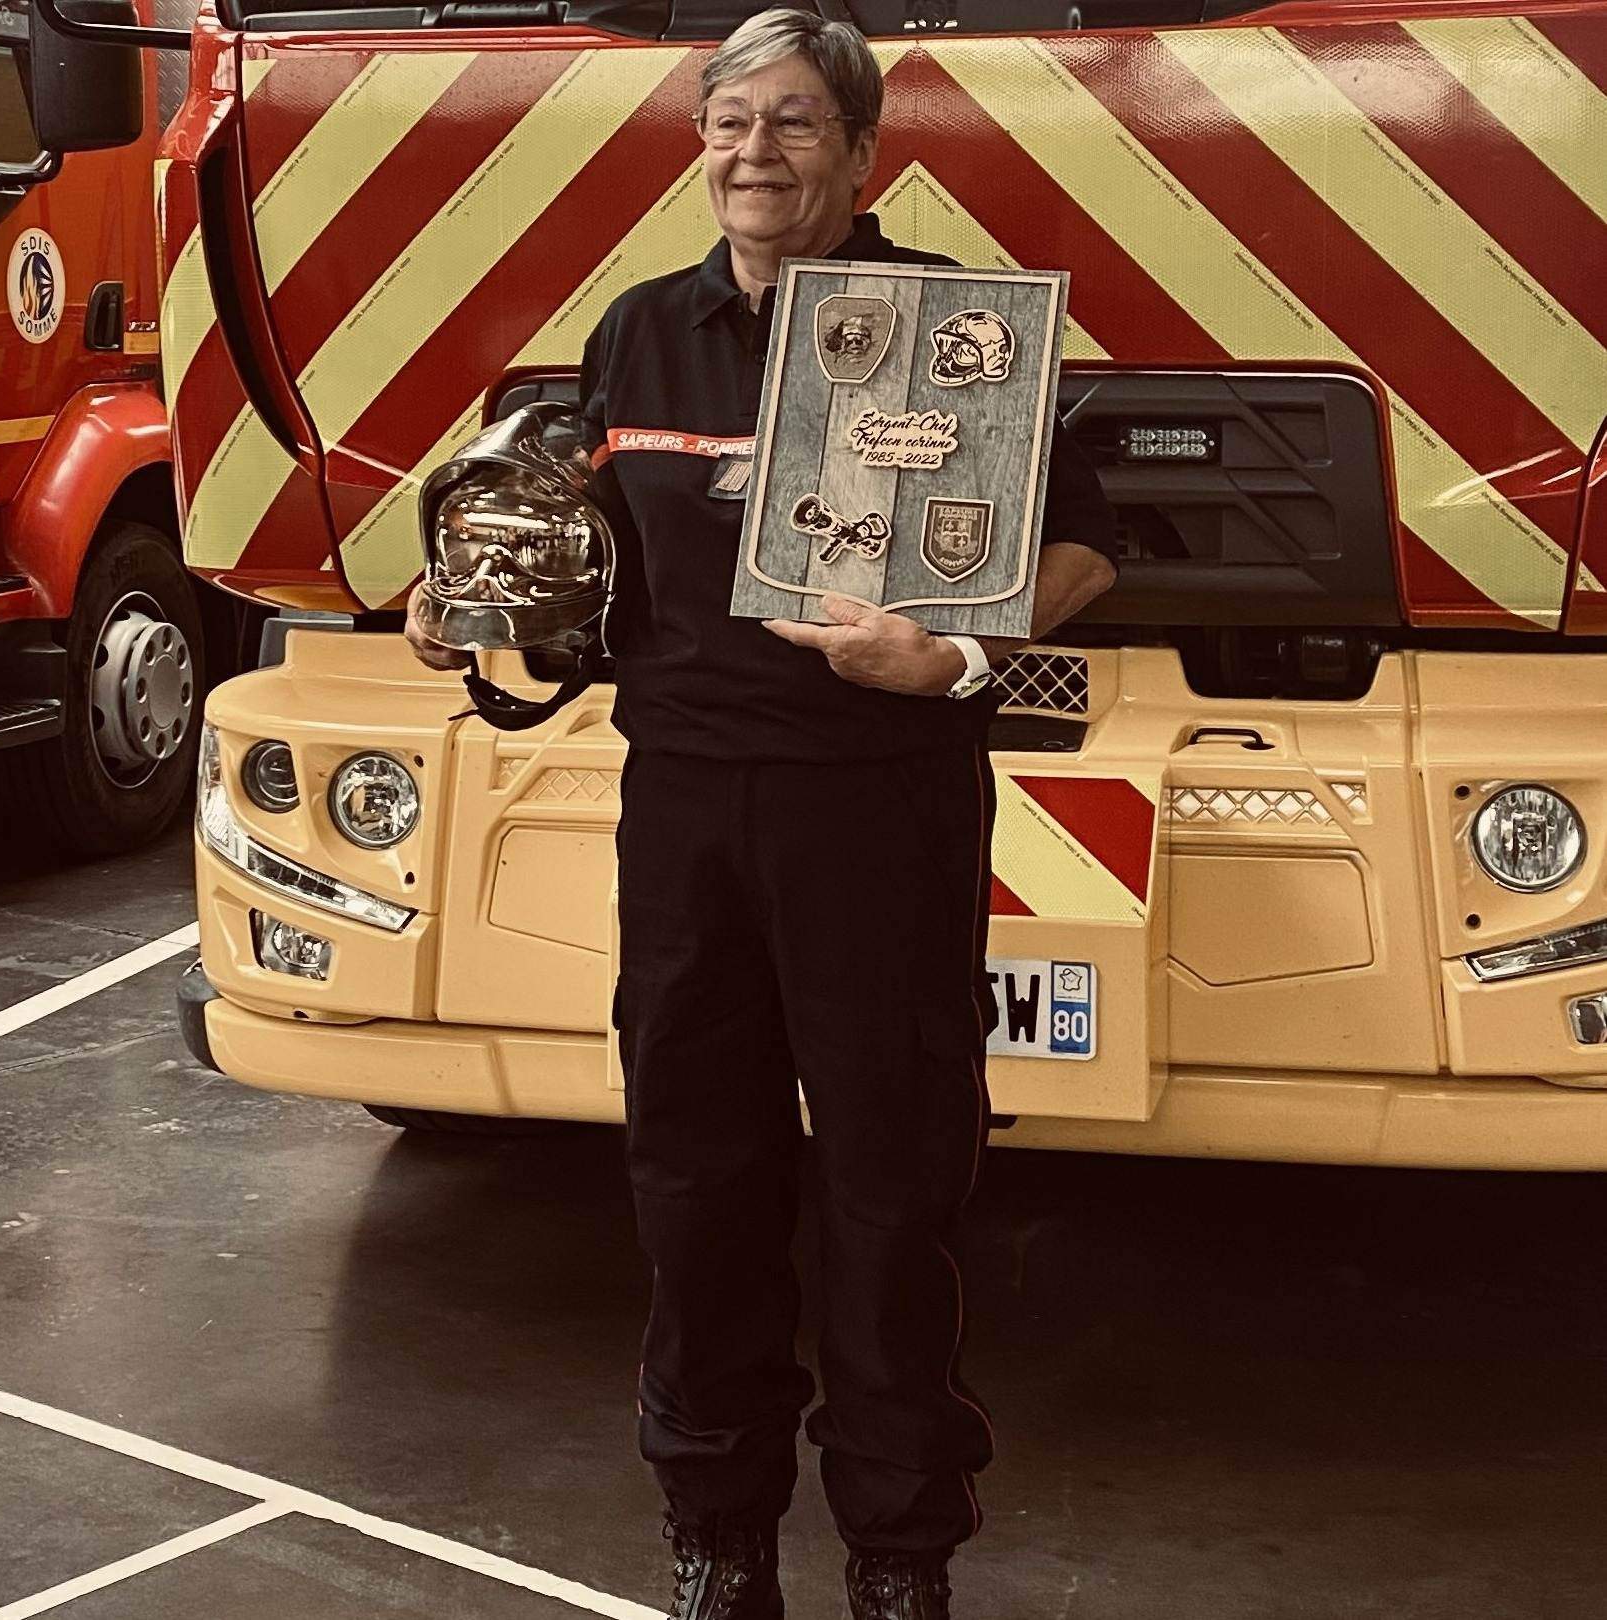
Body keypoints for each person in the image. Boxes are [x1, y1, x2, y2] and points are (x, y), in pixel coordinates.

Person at [407, 10, 1118, 1615]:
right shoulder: (637, 334)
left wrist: (954, 653)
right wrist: (477, 603)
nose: (756, 153)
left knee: (889, 1186)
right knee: (693, 1178)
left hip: (879, 805)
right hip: (684, 810)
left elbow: (1085, 546)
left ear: (862, 153)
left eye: (795, 123)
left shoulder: (955, 330)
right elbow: (592, 566)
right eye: (731, 122)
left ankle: (898, 1551)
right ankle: (718, 1533)